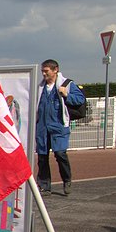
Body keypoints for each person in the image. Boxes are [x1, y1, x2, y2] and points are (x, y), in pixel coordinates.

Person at [35, 59, 85, 195]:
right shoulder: (39, 87)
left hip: (58, 126)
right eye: (42, 71)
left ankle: (66, 180)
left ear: (55, 69)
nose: (44, 74)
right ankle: (44, 185)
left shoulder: (67, 84)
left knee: (60, 154)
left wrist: (67, 94)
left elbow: (80, 99)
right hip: (42, 127)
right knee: (42, 157)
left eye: (46, 71)